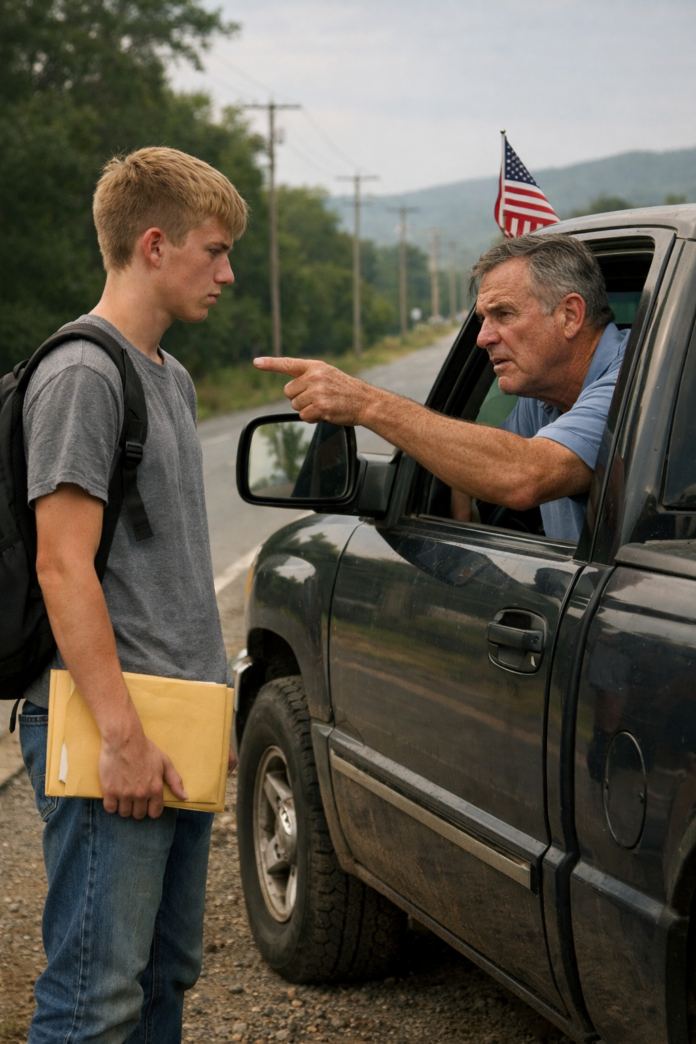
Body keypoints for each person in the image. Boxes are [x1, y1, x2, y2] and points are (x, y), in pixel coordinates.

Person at [19, 146, 247, 1043]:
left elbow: (172, 573)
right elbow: (61, 566)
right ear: (154, 245)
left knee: (163, 982)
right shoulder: (84, 374)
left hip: (174, 721)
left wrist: (208, 713)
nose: (227, 273)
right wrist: (122, 739)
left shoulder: (174, 376)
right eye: (214, 250)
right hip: (115, 731)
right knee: (94, 1000)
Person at [253, 233, 629, 543]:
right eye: (483, 319)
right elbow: (489, 458)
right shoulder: (547, 398)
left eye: (503, 314)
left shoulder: (630, 382)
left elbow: (522, 476)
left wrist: (365, 404)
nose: (483, 338)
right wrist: (466, 525)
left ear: (570, 315)